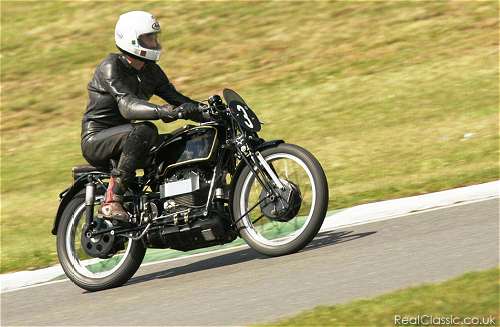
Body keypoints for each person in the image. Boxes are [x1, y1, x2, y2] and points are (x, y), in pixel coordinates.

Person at [81, 11, 206, 222]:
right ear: (131, 39)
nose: (154, 42)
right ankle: (112, 200)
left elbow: (178, 99)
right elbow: (127, 106)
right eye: (148, 38)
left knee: (182, 139)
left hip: (129, 137)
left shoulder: (151, 70)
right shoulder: (111, 66)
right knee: (145, 129)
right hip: (97, 139)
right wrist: (162, 111)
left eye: (155, 37)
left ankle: (169, 202)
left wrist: (208, 111)